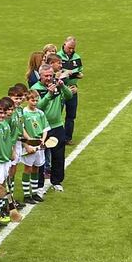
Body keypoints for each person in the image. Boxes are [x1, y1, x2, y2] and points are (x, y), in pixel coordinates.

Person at [31, 64, 73, 192]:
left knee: (58, 155)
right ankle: (39, 184)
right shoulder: (35, 89)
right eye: (46, 76)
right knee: (40, 157)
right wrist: (49, 95)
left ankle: (57, 181)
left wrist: (63, 86)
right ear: (40, 76)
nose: (49, 78)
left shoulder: (57, 85)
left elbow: (69, 96)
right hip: (41, 128)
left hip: (57, 125)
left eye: (51, 75)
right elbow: (38, 107)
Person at [19, 90, 49, 204]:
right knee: (28, 168)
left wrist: (42, 140)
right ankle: (27, 195)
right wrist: (29, 141)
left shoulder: (40, 113)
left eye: (36, 100)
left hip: (39, 145)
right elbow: (22, 128)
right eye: (32, 100)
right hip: (30, 144)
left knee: (36, 168)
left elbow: (45, 128)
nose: (35, 102)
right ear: (27, 100)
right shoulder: (24, 113)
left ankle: (35, 193)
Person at [57, 36, 84, 144]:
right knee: (57, 114)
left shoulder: (77, 57)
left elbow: (80, 71)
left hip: (73, 90)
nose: (71, 50)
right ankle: (56, 137)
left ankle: (68, 137)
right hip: (61, 90)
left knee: (71, 115)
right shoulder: (57, 56)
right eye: (69, 48)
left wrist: (78, 76)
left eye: (73, 48)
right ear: (64, 44)